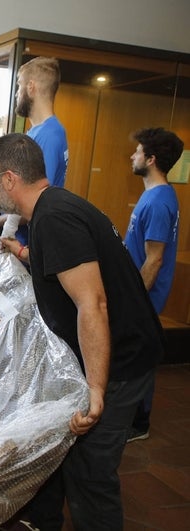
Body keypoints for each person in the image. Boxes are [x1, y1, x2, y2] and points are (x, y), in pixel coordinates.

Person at [0, 133, 163, 531]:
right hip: (114, 351)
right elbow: (60, 266)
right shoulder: (50, 211)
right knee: (64, 454)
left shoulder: (55, 218)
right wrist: (19, 252)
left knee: (90, 473)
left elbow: (91, 303)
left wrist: (96, 389)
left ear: (9, 179)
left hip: (121, 361)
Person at [124, 127, 183, 443]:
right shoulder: (155, 195)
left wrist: (136, 301)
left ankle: (138, 422)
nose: (133, 156)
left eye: (138, 151)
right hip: (138, 294)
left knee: (140, 359)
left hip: (144, 298)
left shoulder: (159, 202)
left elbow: (155, 259)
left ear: (151, 159)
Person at [0, 57, 68, 247]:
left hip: (29, 244)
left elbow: (32, 200)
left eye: (19, 86)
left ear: (31, 87)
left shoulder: (49, 136)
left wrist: (6, 232)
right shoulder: (37, 132)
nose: (17, 94)